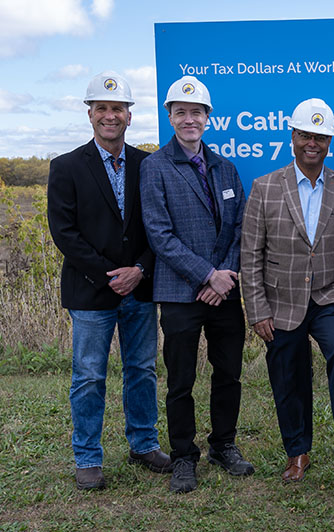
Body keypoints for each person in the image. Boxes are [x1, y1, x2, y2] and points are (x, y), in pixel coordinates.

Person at [47, 71, 171, 490]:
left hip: (140, 286)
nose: (110, 115)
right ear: (90, 114)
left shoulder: (147, 164)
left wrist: (140, 269)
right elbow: (64, 232)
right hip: (90, 291)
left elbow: (159, 226)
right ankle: (87, 457)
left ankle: (144, 444)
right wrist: (108, 275)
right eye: (101, 108)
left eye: (118, 108)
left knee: (142, 370)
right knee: (88, 377)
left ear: (129, 116)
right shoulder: (66, 167)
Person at [240, 98, 334, 482]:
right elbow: (251, 254)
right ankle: (297, 452)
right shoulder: (265, 187)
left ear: (330, 141)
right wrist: (257, 310)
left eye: (320, 137)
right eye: (305, 136)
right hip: (280, 300)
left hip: (328, 293)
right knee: (289, 372)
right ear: (293, 137)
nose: (312, 143)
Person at [140, 75, 253, 494]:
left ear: (208, 117)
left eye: (197, 112)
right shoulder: (155, 167)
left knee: (228, 373)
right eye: (181, 112)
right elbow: (160, 234)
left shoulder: (226, 167)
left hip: (225, 292)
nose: (190, 119)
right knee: (181, 380)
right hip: (180, 293)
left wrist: (224, 276)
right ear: (170, 117)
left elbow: (240, 227)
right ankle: (184, 456)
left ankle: (223, 445)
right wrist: (208, 275)